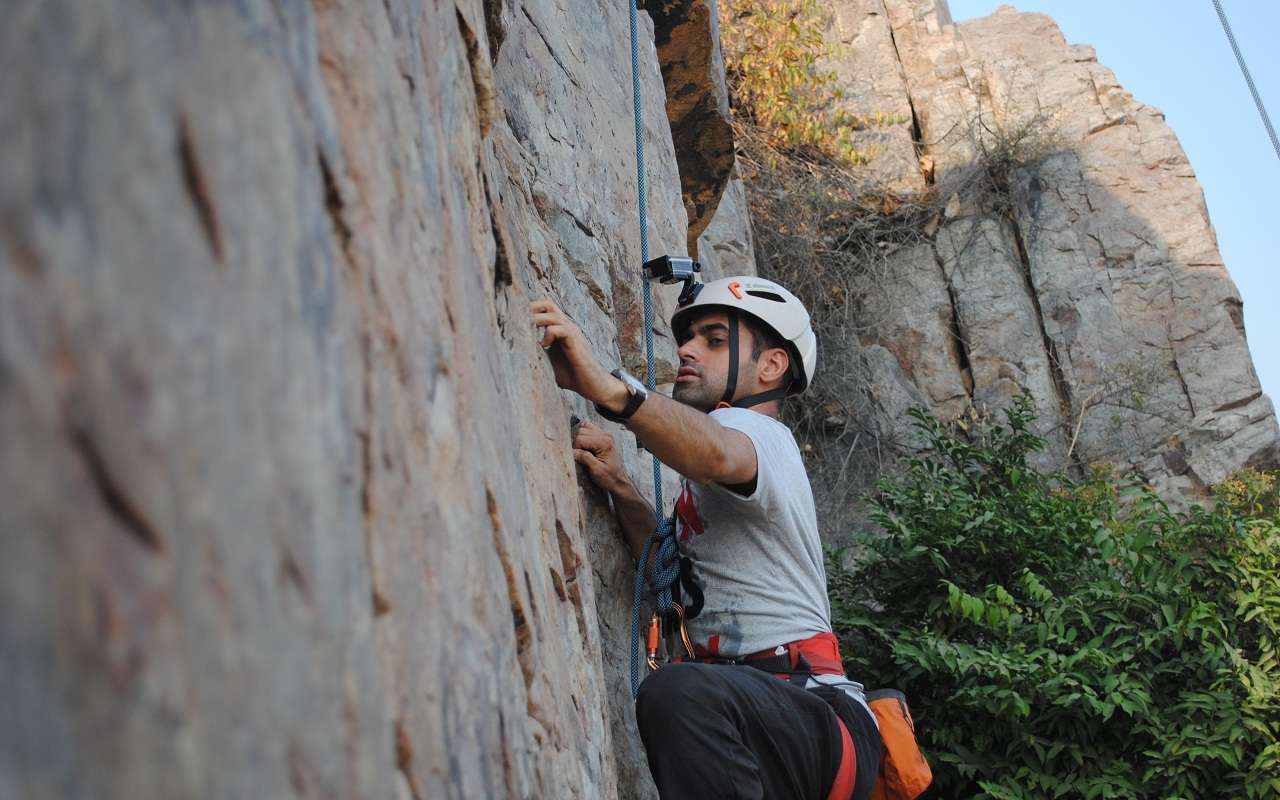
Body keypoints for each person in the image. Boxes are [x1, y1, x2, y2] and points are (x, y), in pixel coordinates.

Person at [531, 276, 881, 800]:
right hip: (768, 717)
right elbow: (672, 573)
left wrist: (610, 391)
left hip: (808, 708)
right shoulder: (723, 473)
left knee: (677, 692)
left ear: (771, 366)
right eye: (689, 338)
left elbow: (717, 451)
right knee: (683, 693)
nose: (687, 350)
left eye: (714, 340)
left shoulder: (764, 437)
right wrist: (622, 489)